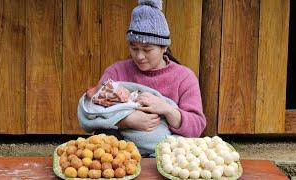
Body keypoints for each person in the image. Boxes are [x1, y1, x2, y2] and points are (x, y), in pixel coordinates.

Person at [78, 0, 206, 155]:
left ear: (164, 47)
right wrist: (125, 121)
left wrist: (167, 109)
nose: (139, 56)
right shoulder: (116, 72)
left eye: (147, 49)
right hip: (118, 157)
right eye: (134, 48)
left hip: (167, 155)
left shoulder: (184, 78)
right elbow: (94, 110)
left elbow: (197, 127)